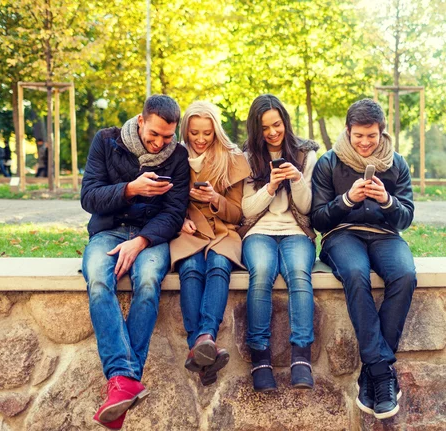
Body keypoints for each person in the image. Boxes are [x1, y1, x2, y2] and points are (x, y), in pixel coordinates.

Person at [81, 94, 190, 430]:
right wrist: (130, 189)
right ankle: (126, 379)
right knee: (99, 280)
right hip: (108, 231)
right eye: (154, 134)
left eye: (168, 137)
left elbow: (174, 213)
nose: (160, 143)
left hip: (152, 236)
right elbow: (89, 197)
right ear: (141, 121)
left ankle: (120, 386)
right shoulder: (106, 141)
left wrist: (142, 241)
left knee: (147, 282)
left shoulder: (178, 157)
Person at [311, 99, 416, 420]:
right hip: (342, 235)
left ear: (381, 133)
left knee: (405, 275)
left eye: (371, 136)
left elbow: (406, 217)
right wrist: (346, 200)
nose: (365, 142)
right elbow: (318, 219)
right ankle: (383, 374)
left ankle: (372, 372)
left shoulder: (396, 163)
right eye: (358, 135)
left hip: (385, 234)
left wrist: (386, 200)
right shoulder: (328, 163)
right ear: (348, 131)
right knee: (355, 273)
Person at [240, 94, 318, 392]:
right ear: (255, 130)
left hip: (296, 232)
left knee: (299, 273)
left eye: (277, 125)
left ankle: (301, 357)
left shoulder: (306, 154)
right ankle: (260, 358)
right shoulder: (247, 157)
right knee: (261, 273)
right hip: (258, 230)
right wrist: (270, 186)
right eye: (264, 128)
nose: (272, 132)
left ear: (285, 122)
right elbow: (247, 210)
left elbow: (308, 207)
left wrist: (297, 179)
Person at [169, 101, 251, 386]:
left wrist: (216, 199)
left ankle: (203, 340)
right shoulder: (175, 156)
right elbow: (163, 200)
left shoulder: (232, 158)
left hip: (222, 231)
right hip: (188, 230)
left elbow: (238, 213)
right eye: (194, 133)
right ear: (185, 131)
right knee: (191, 267)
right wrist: (180, 215)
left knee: (217, 264)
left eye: (207, 133)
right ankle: (204, 346)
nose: (201, 139)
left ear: (216, 131)